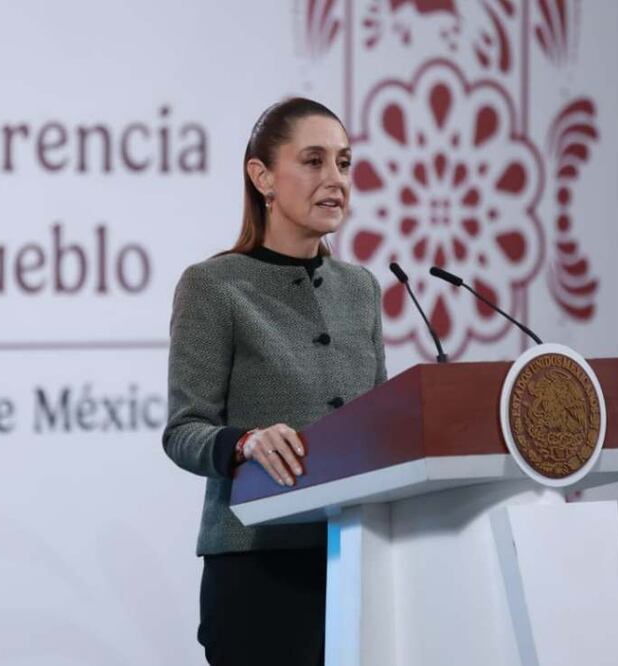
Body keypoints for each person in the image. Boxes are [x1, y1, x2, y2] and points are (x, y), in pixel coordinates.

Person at [162, 97, 387, 665]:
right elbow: (184, 430)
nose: (334, 180)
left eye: (343, 162)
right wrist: (245, 442)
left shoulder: (361, 289)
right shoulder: (214, 287)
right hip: (257, 573)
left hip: (361, 564)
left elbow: (383, 425)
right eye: (312, 161)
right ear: (262, 176)